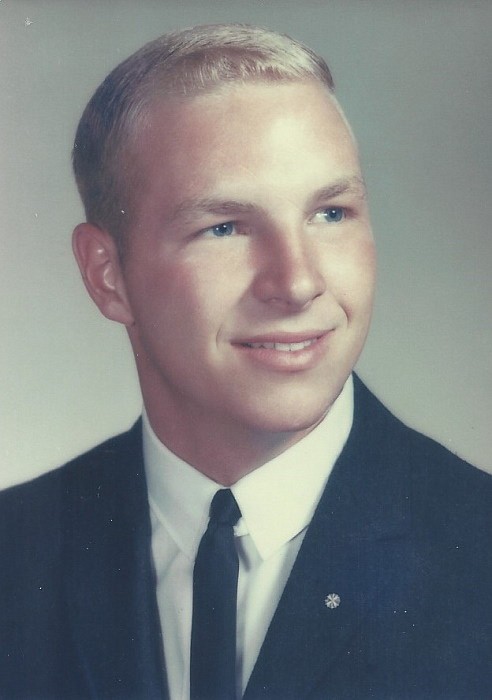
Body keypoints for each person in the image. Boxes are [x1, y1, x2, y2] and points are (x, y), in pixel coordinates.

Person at [0, 23, 491, 700]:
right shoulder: (14, 553)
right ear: (108, 274)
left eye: (331, 213)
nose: (296, 283)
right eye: (224, 228)